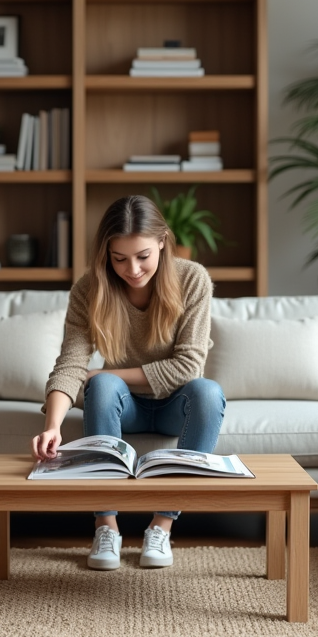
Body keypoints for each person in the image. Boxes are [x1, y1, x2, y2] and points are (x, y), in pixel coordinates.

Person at [32, 195, 225, 571]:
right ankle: (106, 527)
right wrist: (52, 426)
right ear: (106, 253)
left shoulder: (192, 279)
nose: (132, 269)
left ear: (163, 242)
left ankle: (162, 525)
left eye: (142, 256)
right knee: (102, 388)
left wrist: (105, 373)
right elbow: (70, 364)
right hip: (125, 407)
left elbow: (188, 367)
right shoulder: (90, 288)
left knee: (208, 392)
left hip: (175, 406)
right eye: (119, 258)